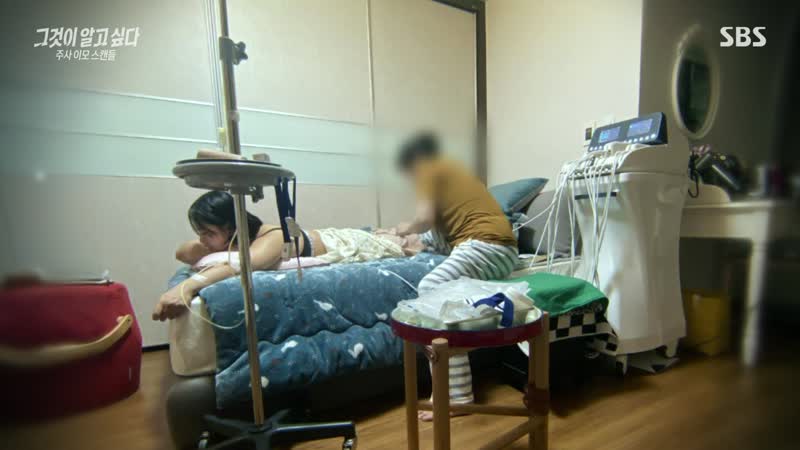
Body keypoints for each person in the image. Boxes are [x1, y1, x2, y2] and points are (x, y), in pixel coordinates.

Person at [389, 131, 519, 421]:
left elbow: (423, 219)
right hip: (501, 251)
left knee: (431, 288)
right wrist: (411, 242)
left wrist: (405, 227)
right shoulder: (457, 177)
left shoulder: (429, 168)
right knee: (449, 295)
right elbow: (436, 236)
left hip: (487, 246)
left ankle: (457, 395)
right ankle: (455, 374)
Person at [152, 190, 421, 322]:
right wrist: (205, 242)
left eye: (208, 233)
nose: (203, 240)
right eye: (200, 233)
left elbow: (247, 264)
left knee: (403, 241)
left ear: (232, 227)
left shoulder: (272, 236)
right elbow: (183, 252)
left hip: (342, 240)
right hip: (322, 234)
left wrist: (187, 287)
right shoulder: (234, 240)